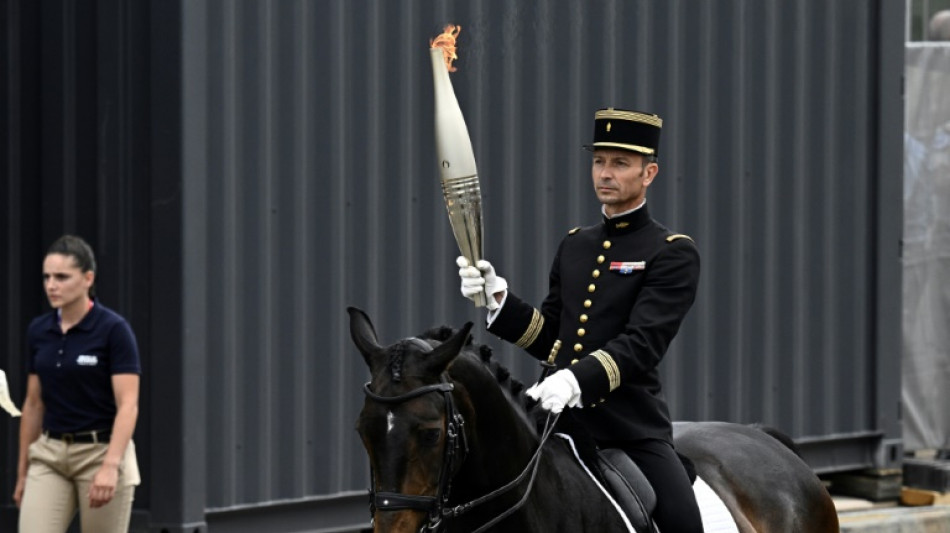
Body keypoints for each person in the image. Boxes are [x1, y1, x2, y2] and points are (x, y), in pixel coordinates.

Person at [457, 108, 704, 531]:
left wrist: (575, 380)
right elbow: (553, 338)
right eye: (598, 161)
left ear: (649, 173)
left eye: (620, 163)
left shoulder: (672, 252)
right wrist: (499, 299)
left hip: (629, 427)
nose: (605, 173)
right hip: (557, 421)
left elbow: (642, 344)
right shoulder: (575, 244)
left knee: (683, 524)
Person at [13, 235, 141, 533]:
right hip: (50, 455)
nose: (51, 285)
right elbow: (33, 404)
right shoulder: (39, 330)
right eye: (46, 277)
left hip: (100, 452)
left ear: (87, 278)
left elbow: (128, 405)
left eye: (61, 277)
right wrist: (23, 472)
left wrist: (111, 467)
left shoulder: (113, 330)